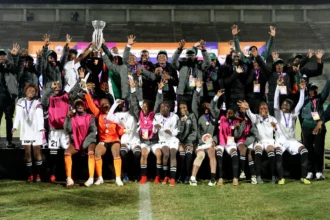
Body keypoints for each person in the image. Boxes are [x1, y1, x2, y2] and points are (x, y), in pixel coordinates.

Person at [85, 86, 125, 186]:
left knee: (116, 152)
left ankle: (118, 178)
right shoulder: (99, 114)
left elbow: (120, 131)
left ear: (110, 104)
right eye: (102, 104)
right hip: (103, 140)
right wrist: (86, 91)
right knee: (97, 152)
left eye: (106, 103)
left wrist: (125, 130)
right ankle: (100, 177)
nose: (104, 104)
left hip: (114, 139)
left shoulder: (114, 115)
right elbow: (90, 104)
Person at [237, 100, 284, 184]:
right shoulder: (256, 117)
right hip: (260, 141)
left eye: (265, 108)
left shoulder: (272, 118)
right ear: (258, 110)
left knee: (271, 153)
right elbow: (250, 115)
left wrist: (275, 127)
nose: (263, 109)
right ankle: (258, 176)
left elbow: (279, 132)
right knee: (258, 152)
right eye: (261, 108)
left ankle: (273, 176)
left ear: (268, 109)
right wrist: (247, 108)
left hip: (269, 141)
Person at [274, 78, 310, 184]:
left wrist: (302, 90)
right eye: (283, 104)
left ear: (290, 107)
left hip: (292, 141)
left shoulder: (293, 115)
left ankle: (304, 177)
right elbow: (276, 102)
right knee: (278, 153)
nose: (284, 105)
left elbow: (300, 103)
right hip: (280, 141)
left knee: (304, 151)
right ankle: (281, 178)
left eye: (287, 104)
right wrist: (277, 87)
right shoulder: (278, 114)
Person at [129, 79, 163, 184]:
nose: (143, 108)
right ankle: (143, 176)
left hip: (154, 141)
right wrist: (133, 89)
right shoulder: (139, 114)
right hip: (144, 141)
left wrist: (160, 91)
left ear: (149, 108)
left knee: (159, 154)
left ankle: (157, 176)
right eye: (143, 106)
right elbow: (134, 103)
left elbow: (158, 103)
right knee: (144, 155)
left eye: (145, 106)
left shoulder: (154, 114)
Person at [189, 79, 221, 186]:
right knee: (201, 155)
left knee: (212, 153)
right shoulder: (198, 116)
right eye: (205, 104)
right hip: (200, 143)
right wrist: (198, 89)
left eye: (208, 104)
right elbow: (195, 103)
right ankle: (192, 178)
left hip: (211, 143)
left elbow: (217, 132)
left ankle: (212, 179)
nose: (206, 106)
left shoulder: (215, 116)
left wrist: (214, 142)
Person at [13, 84, 44, 182]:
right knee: (27, 153)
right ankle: (30, 175)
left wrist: (41, 128)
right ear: (25, 91)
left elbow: (40, 115)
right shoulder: (20, 102)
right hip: (25, 131)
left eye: (34, 91)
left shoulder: (37, 102)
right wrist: (15, 126)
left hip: (36, 131)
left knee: (37, 152)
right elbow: (17, 115)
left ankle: (38, 174)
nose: (31, 92)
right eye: (29, 90)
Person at [301, 78, 330, 180]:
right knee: (308, 149)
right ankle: (309, 171)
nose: (313, 91)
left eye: (315, 89)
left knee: (318, 149)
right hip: (307, 126)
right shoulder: (304, 100)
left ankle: (318, 171)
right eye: (311, 89)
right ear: (308, 91)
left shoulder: (320, 100)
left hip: (319, 127)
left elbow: (326, 90)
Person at [64, 99, 97, 187]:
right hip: (77, 142)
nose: (79, 106)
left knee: (91, 152)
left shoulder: (90, 117)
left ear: (85, 105)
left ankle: (91, 178)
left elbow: (93, 132)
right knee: (67, 153)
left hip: (89, 141)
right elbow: (68, 130)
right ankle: (69, 178)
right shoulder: (72, 117)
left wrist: (84, 143)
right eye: (77, 104)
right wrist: (67, 118)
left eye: (81, 104)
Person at [108, 97, 140, 182]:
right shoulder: (118, 114)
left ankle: (136, 174)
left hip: (135, 139)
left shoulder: (133, 113)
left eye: (125, 104)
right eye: (122, 105)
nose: (123, 106)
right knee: (122, 153)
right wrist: (115, 103)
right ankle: (125, 174)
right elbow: (109, 116)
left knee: (137, 154)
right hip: (125, 138)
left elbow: (135, 106)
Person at [211, 89, 240, 186]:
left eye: (231, 111)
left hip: (230, 143)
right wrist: (216, 96)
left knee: (234, 154)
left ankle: (235, 178)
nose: (230, 112)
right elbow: (212, 107)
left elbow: (237, 135)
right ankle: (220, 178)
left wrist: (235, 128)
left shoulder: (236, 119)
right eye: (228, 110)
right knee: (219, 154)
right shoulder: (220, 115)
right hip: (220, 142)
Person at [171, 39, 211, 110]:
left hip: (196, 94)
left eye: (192, 55)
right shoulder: (181, 65)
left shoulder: (200, 65)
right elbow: (173, 61)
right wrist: (179, 49)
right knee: (182, 114)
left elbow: (208, 63)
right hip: (183, 95)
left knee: (195, 113)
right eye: (188, 55)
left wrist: (204, 50)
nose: (190, 56)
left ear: (195, 56)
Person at [153, 89, 180, 186]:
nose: (162, 109)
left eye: (164, 108)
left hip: (172, 139)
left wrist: (171, 132)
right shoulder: (157, 116)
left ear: (169, 108)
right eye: (161, 107)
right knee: (166, 154)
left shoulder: (175, 117)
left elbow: (178, 130)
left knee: (173, 153)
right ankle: (165, 176)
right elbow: (154, 130)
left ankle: (172, 178)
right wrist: (155, 128)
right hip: (163, 139)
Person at [254, 51, 292, 116]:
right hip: (272, 101)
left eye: (280, 64)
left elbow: (289, 89)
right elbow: (263, 66)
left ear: (283, 65)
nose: (279, 65)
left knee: (282, 120)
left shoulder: (287, 76)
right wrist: (257, 57)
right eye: (277, 64)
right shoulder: (270, 74)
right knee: (272, 119)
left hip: (282, 101)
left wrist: (284, 89)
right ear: (275, 66)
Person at [0, 44, 19, 148]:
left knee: (9, 119)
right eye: (0, 55)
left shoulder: (10, 66)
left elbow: (15, 67)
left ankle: (9, 141)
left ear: (6, 57)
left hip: (9, 98)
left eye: (3, 55)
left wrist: (15, 56)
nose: (1, 57)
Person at [233, 107, 256, 184]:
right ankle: (242, 171)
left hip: (249, 140)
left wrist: (249, 140)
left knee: (250, 154)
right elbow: (237, 135)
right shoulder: (236, 119)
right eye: (241, 109)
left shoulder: (251, 119)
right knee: (243, 148)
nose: (243, 110)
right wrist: (242, 124)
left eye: (244, 109)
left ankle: (253, 176)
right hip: (240, 140)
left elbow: (254, 133)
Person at [177, 100, 197, 184]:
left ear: (187, 108)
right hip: (181, 141)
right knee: (182, 156)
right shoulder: (178, 117)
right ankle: (181, 175)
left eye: (184, 107)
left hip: (190, 141)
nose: (182, 109)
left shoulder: (192, 116)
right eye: (180, 108)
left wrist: (189, 142)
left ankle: (188, 175)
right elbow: (179, 132)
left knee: (188, 154)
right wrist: (182, 121)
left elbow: (194, 130)